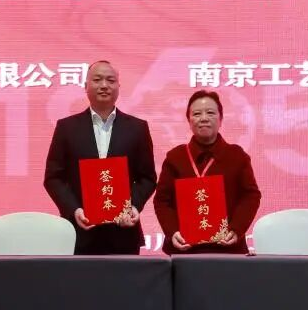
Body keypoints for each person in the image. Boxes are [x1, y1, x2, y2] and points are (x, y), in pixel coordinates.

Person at [44, 60, 157, 254]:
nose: (104, 85)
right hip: (79, 232)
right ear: (85, 86)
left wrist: (133, 207)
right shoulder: (66, 128)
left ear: (119, 86)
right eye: (97, 80)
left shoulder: (137, 128)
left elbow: (147, 178)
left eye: (110, 80)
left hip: (123, 232)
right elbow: (53, 178)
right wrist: (74, 210)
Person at [153, 90, 261, 255]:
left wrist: (236, 229)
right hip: (184, 248)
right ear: (189, 120)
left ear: (221, 119)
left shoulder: (237, 156)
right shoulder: (175, 157)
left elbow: (250, 196)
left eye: (210, 113)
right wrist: (173, 232)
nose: (204, 118)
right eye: (197, 114)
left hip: (228, 247)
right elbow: (162, 200)